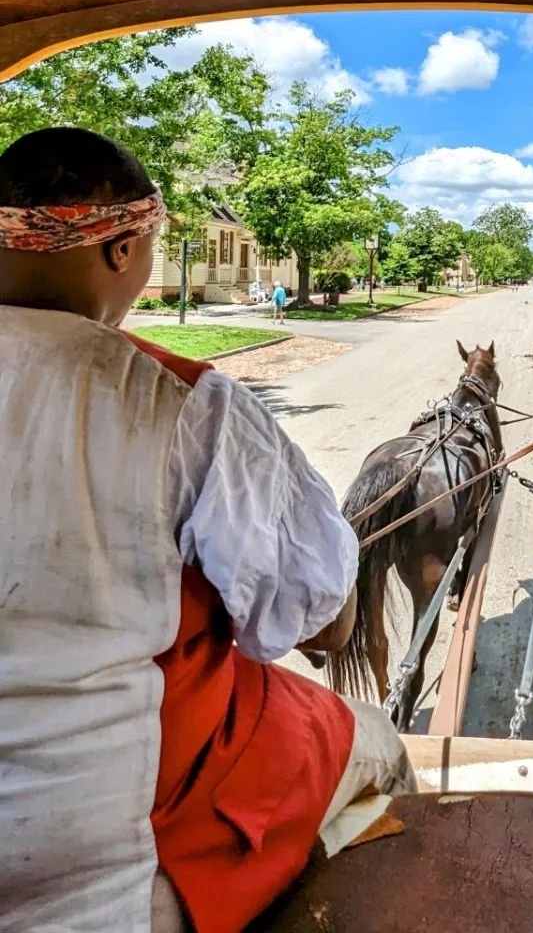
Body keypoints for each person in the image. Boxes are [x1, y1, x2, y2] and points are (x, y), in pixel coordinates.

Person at [0, 128, 415, 933]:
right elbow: (323, 626)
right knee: (375, 738)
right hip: (95, 844)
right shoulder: (179, 399)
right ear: (123, 249)